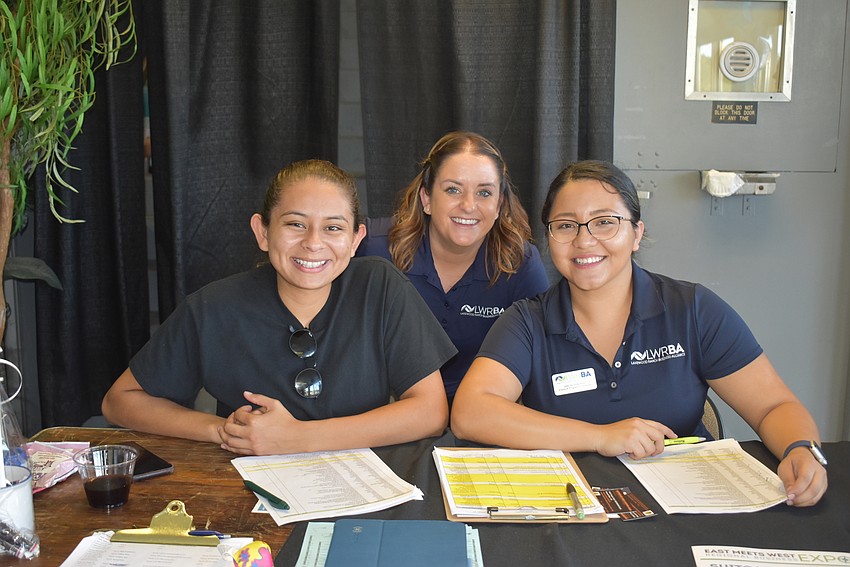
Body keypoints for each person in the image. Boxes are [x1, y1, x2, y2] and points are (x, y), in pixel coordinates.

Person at [451, 160, 827, 507]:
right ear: (550, 238)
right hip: (576, 509)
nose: (584, 241)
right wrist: (600, 436)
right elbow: (470, 412)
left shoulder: (693, 309)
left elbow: (774, 406)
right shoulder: (527, 322)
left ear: (636, 233)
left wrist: (800, 449)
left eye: (605, 222)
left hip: (690, 505)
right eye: (566, 225)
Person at [102, 159, 457, 455]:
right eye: (295, 224)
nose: (313, 243)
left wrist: (298, 438)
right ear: (263, 232)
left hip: (365, 489)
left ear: (355, 241)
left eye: (333, 228)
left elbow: (430, 411)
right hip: (251, 494)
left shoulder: (380, 287)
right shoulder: (213, 307)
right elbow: (121, 400)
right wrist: (224, 430)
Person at [357, 131, 549, 402]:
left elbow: (545, 361)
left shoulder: (520, 264)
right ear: (426, 199)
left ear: (499, 205)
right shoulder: (373, 250)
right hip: (388, 418)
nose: (468, 205)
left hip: (477, 423)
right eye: (453, 190)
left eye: (484, 192)